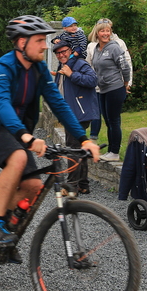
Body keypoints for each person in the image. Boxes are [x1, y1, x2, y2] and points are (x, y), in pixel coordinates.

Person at [0, 15, 100, 255]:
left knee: (33, 185)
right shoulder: (2, 68)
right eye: (39, 40)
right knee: (18, 158)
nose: (45, 46)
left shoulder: (38, 69)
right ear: (21, 42)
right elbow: (2, 105)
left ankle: (7, 228)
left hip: (16, 128)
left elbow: (58, 103)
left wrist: (84, 138)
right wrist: (26, 137)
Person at [52, 40, 99, 194]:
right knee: (79, 148)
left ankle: (71, 186)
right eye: (58, 53)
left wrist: (72, 74)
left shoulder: (79, 64)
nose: (61, 55)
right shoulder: (63, 66)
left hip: (79, 114)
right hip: (71, 114)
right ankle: (83, 185)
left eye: (64, 51)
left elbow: (93, 80)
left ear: (70, 51)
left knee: (73, 150)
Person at [87, 18, 131, 162]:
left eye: (108, 31)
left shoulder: (114, 47)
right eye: (102, 31)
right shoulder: (96, 48)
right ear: (97, 33)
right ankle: (111, 150)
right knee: (108, 121)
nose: (106, 33)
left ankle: (115, 152)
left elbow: (125, 67)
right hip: (103, 89)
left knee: (114, 121)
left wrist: (126, 83)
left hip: (115, 88)